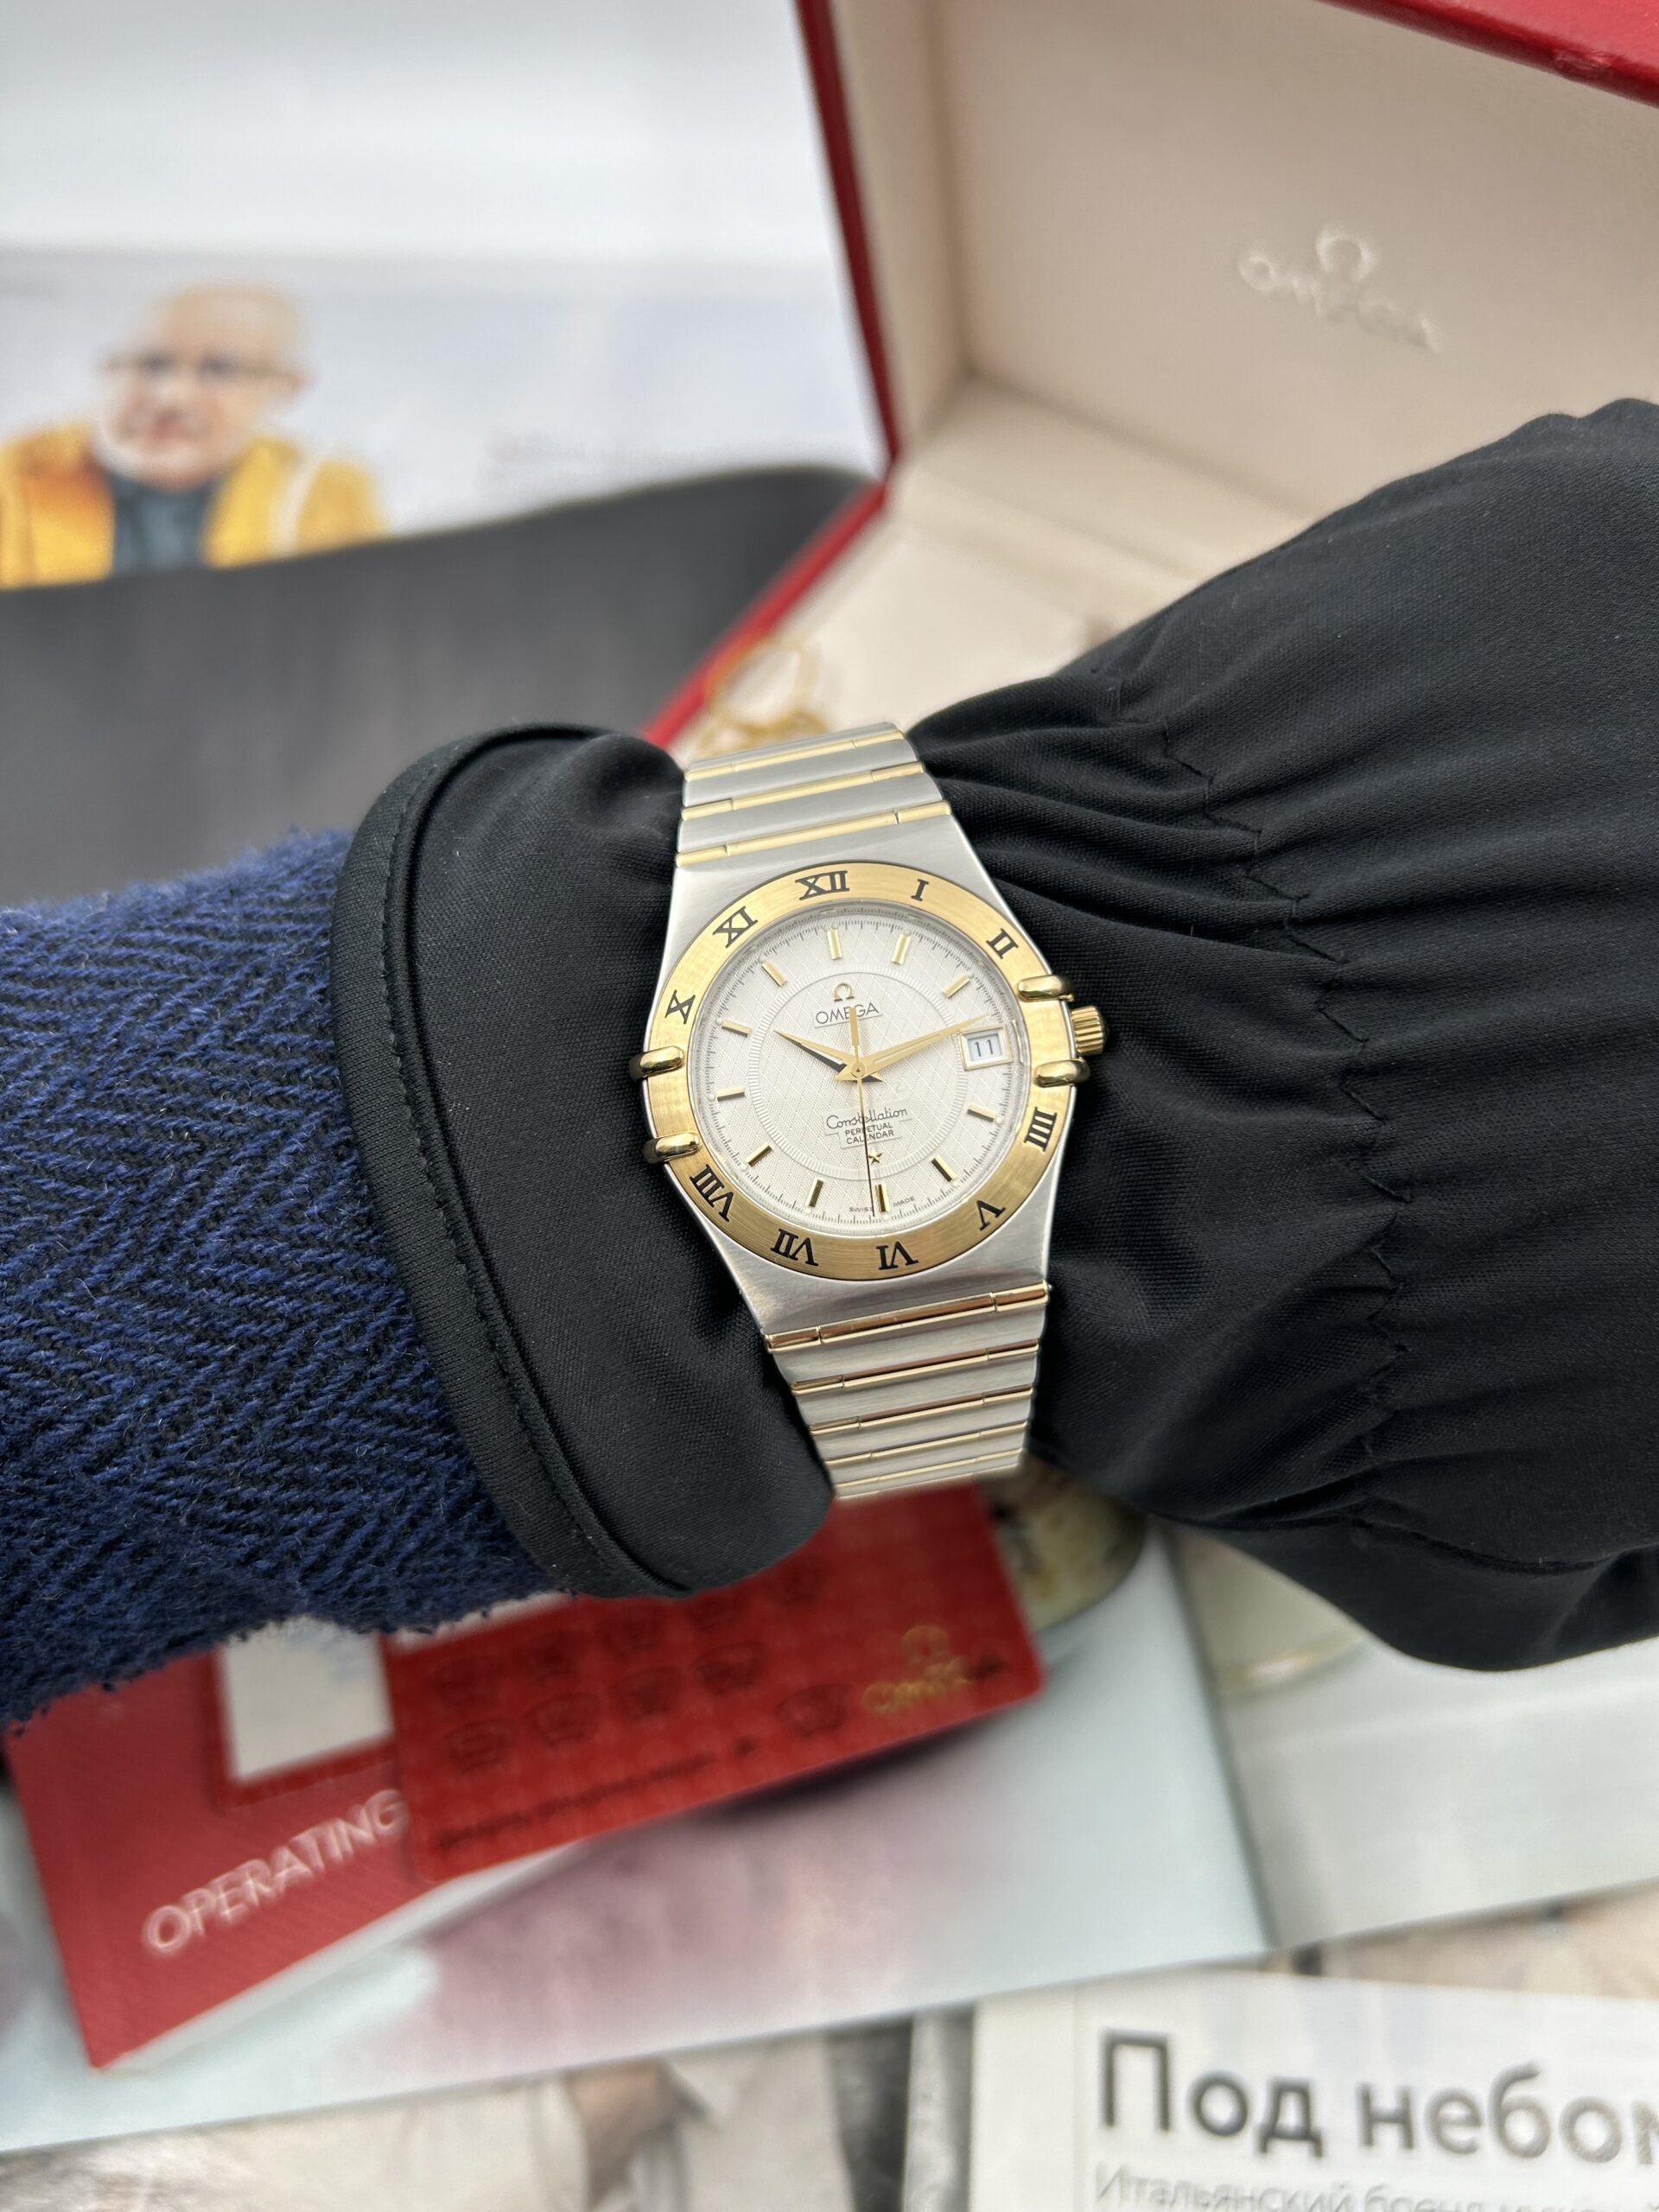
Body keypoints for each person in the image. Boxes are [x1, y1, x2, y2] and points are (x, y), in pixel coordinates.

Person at [0, 284, 383, 588]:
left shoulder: (329, 489)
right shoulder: (11, 476)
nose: (171, 396)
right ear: (108, 369)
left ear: (286, 387)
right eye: (151, 364)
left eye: (219, 370)